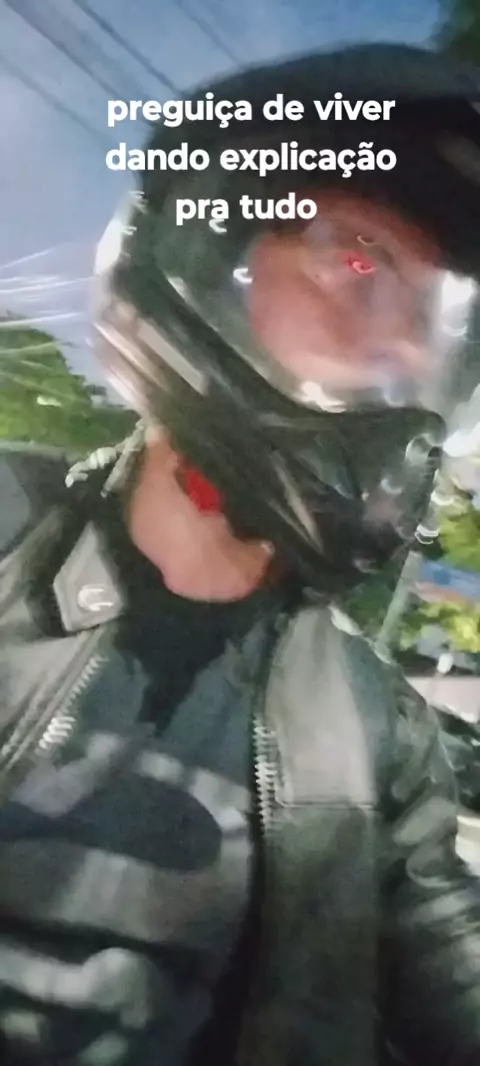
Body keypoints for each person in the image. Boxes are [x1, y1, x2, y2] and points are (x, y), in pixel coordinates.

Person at [2, 40, 480, 1066]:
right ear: (203, 260)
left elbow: (453, 965)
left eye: (434, 320)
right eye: (360, 260)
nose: (404, 347)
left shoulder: (380, 735)